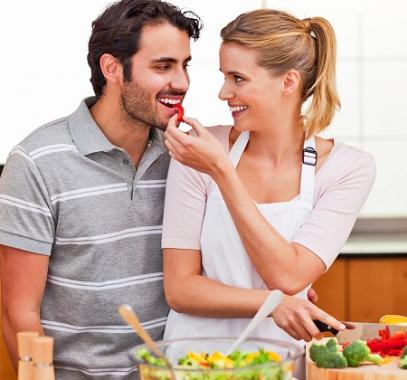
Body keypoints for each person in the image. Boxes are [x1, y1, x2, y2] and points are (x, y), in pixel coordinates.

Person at [162, 6, 375, 363]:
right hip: (192, 363)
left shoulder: (346, 169)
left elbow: (289, 275)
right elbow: (180, 289)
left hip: (281, 364)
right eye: (223, 76)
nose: (223, 92)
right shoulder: (199, 151)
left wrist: (223, 173)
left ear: (288, 82)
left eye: (238, 78)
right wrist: (270, 302)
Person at [0, 1, 202, 379]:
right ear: (112, 68)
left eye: (184, 65)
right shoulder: (36, 162)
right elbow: (19, 313)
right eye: (163, 66)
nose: (182, 83)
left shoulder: (185, 157)